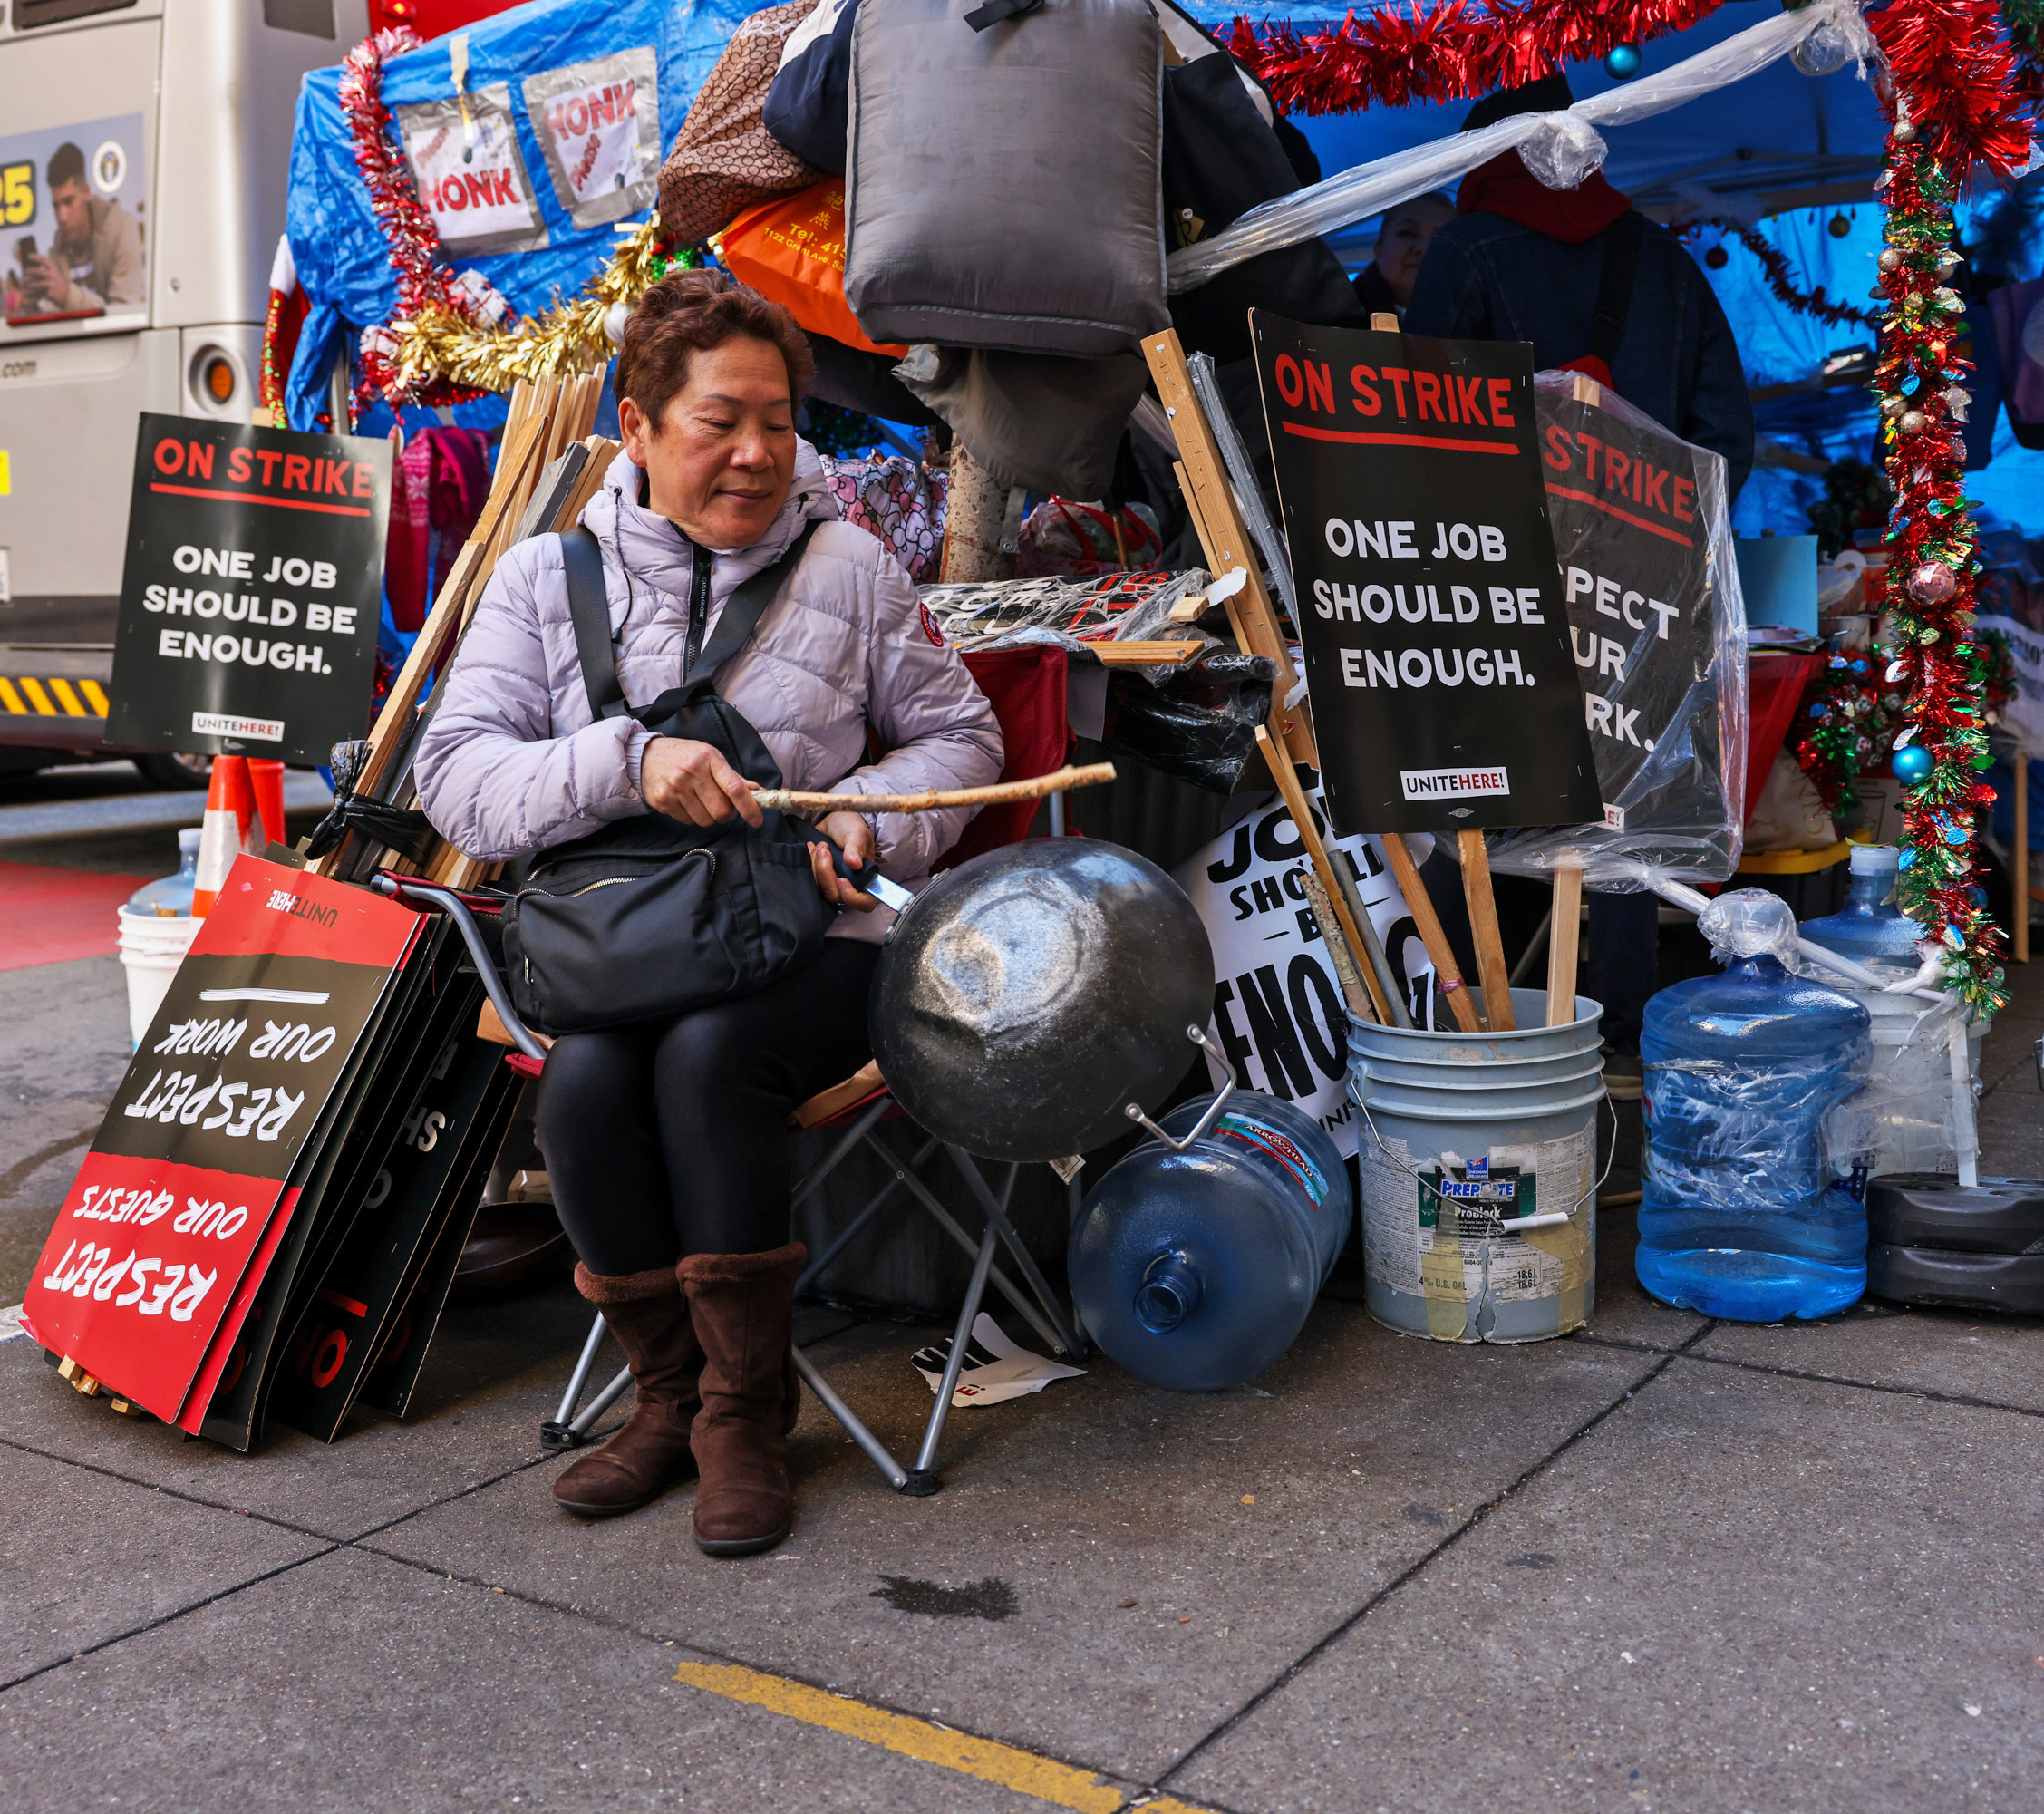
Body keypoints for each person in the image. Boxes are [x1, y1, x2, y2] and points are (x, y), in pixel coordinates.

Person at [415, 271, 1003, 1556]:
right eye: (718, 420)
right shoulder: (534, 579)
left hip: (808, 942)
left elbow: (960, 737)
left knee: (709, 1059)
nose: (755, 452)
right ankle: (668, 1398)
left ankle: (746, 1415)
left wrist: (867, 812)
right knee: (578, 1090)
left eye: (780, 422)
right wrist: (622, 764)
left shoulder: (848, 568)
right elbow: (452, 775)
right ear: (634, 426)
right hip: (622, 942)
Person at [1404, 75, 1756, 1089]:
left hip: (1497, 579)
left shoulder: (1468, 250)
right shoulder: (1664, 261)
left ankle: (1487, 1023)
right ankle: (1618, 1041)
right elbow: (1726, 439)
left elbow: (1421, 416)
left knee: (1476, 785)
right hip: (1648, 586)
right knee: (1625, 812)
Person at [20, 141, 143, 314]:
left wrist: (67, 295)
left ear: (86, 191)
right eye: (56, 206)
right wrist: (31, 306)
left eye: (69, 201)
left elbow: (124, 313)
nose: (62, 217)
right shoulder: (56, 253)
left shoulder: (121, 228)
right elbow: (54, 325)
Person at [1351, 191, 1453, 321]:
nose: (1423, 248)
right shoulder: (1338, 312)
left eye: (1441, 238)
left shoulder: (1480, 321)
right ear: (1379, 249)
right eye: (1407, 233)